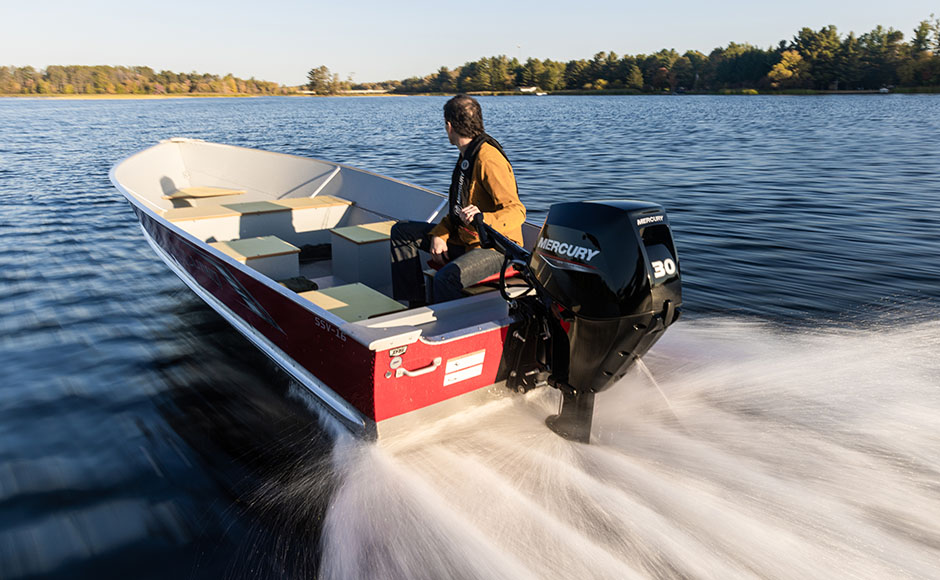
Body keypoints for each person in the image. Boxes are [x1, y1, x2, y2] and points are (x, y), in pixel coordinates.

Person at [391, 94, 526, 307]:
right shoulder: (467, 155)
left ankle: (447, 331)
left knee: (446, 278)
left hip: (494, 249)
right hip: (464, 238)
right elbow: (457, 211)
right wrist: (440, 235)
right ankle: (414, 307)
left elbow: (517, 211)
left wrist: (483, 218)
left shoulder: (488, 159)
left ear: (449, 126)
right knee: (402, 232)